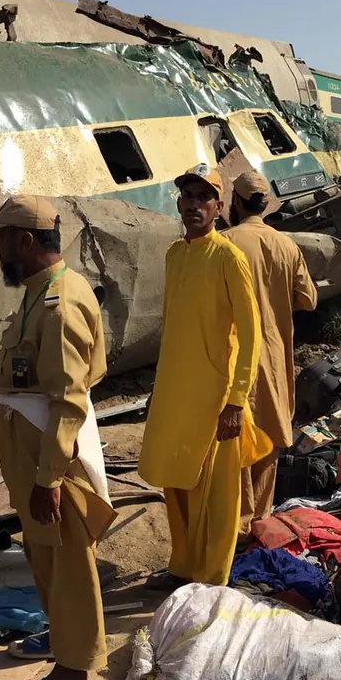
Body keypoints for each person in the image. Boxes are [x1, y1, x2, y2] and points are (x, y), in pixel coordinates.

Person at [0, 195, 115, 680]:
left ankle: (75, 670)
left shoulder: (61, 304)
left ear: (26, 241)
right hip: (31, 447)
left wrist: (49, 477)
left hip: (52, 452)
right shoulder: (39, 292)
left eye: (2, 237)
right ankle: (62, 637)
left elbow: (69, 399)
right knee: (43, 553)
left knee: (68, 559)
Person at [138, 164, 271, 590]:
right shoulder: (175, 255)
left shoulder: (228, 257)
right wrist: (159, 386)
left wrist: (236, 400)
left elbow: (251, 334)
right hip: (176, 393)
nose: (193, 204)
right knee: (174, 481)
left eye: (203, 197)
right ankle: (182, 567)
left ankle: (212, 579)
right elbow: (173, 327)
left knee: (216, 495)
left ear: (218, 206)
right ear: (179, 204)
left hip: (216, 397)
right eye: (187, 197)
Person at [221, 171, 318, 536]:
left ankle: (237, 529)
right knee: (268, 440)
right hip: (275, 358)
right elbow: (308, 300)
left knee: (237, 444)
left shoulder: (225, 243)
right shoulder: (286, 245)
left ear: (235, 202)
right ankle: (259, 524)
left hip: (236, 358)